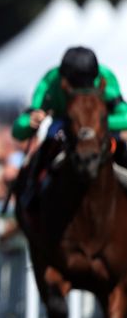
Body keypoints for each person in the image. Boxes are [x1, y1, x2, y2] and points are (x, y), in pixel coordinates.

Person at [12, 46, 127, 209]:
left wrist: (95, 123)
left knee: (121, 147)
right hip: (63, 128)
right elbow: (18, 132)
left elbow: (125, 117)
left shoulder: (105, 78)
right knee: (43, 150)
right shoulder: (51, 81)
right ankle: (30, 196)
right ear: (64, 80)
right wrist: (30, 121)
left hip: (99, 131)